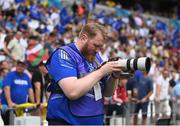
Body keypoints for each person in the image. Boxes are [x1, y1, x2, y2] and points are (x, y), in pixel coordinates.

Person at [45, 23, 125, 125]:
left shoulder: (96, 58)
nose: (98, 50)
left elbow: (107, 93)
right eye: (96, 45)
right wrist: (101, 72)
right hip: (68, 122)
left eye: (100, 47)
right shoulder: (64, 54)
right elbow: (72, 92)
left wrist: (114, 76)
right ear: (83, 38)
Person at [0, 60, 34, 125]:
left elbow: (30, 90)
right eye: (18, 65)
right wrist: (10, 102)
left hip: (21, 107)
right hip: (9, 107)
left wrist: (33, 103)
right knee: (9, 123)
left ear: (25, 67)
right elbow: (7, 88)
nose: (19, 67)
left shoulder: (26, 76)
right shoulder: (10, 75)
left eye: (22, 66)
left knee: (20, 123)